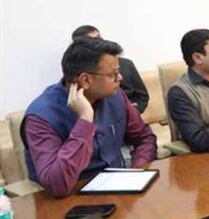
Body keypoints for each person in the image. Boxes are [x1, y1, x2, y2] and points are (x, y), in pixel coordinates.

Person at [21, 37, 157, 197]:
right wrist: (84, 121)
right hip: (69, 198)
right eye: (113, 74)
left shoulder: (116, 95)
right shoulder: (40, 117)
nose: (120, 78)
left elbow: (145, 138)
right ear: (85, 80)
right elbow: (57, 185)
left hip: (119, 190)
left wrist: (136, 172)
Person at [72, 25, 149, 113]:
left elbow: (142, 96)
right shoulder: (78, 76)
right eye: (112, 74)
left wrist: (132, 112)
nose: (119, 77)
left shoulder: (126, 64)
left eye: (99, 38)